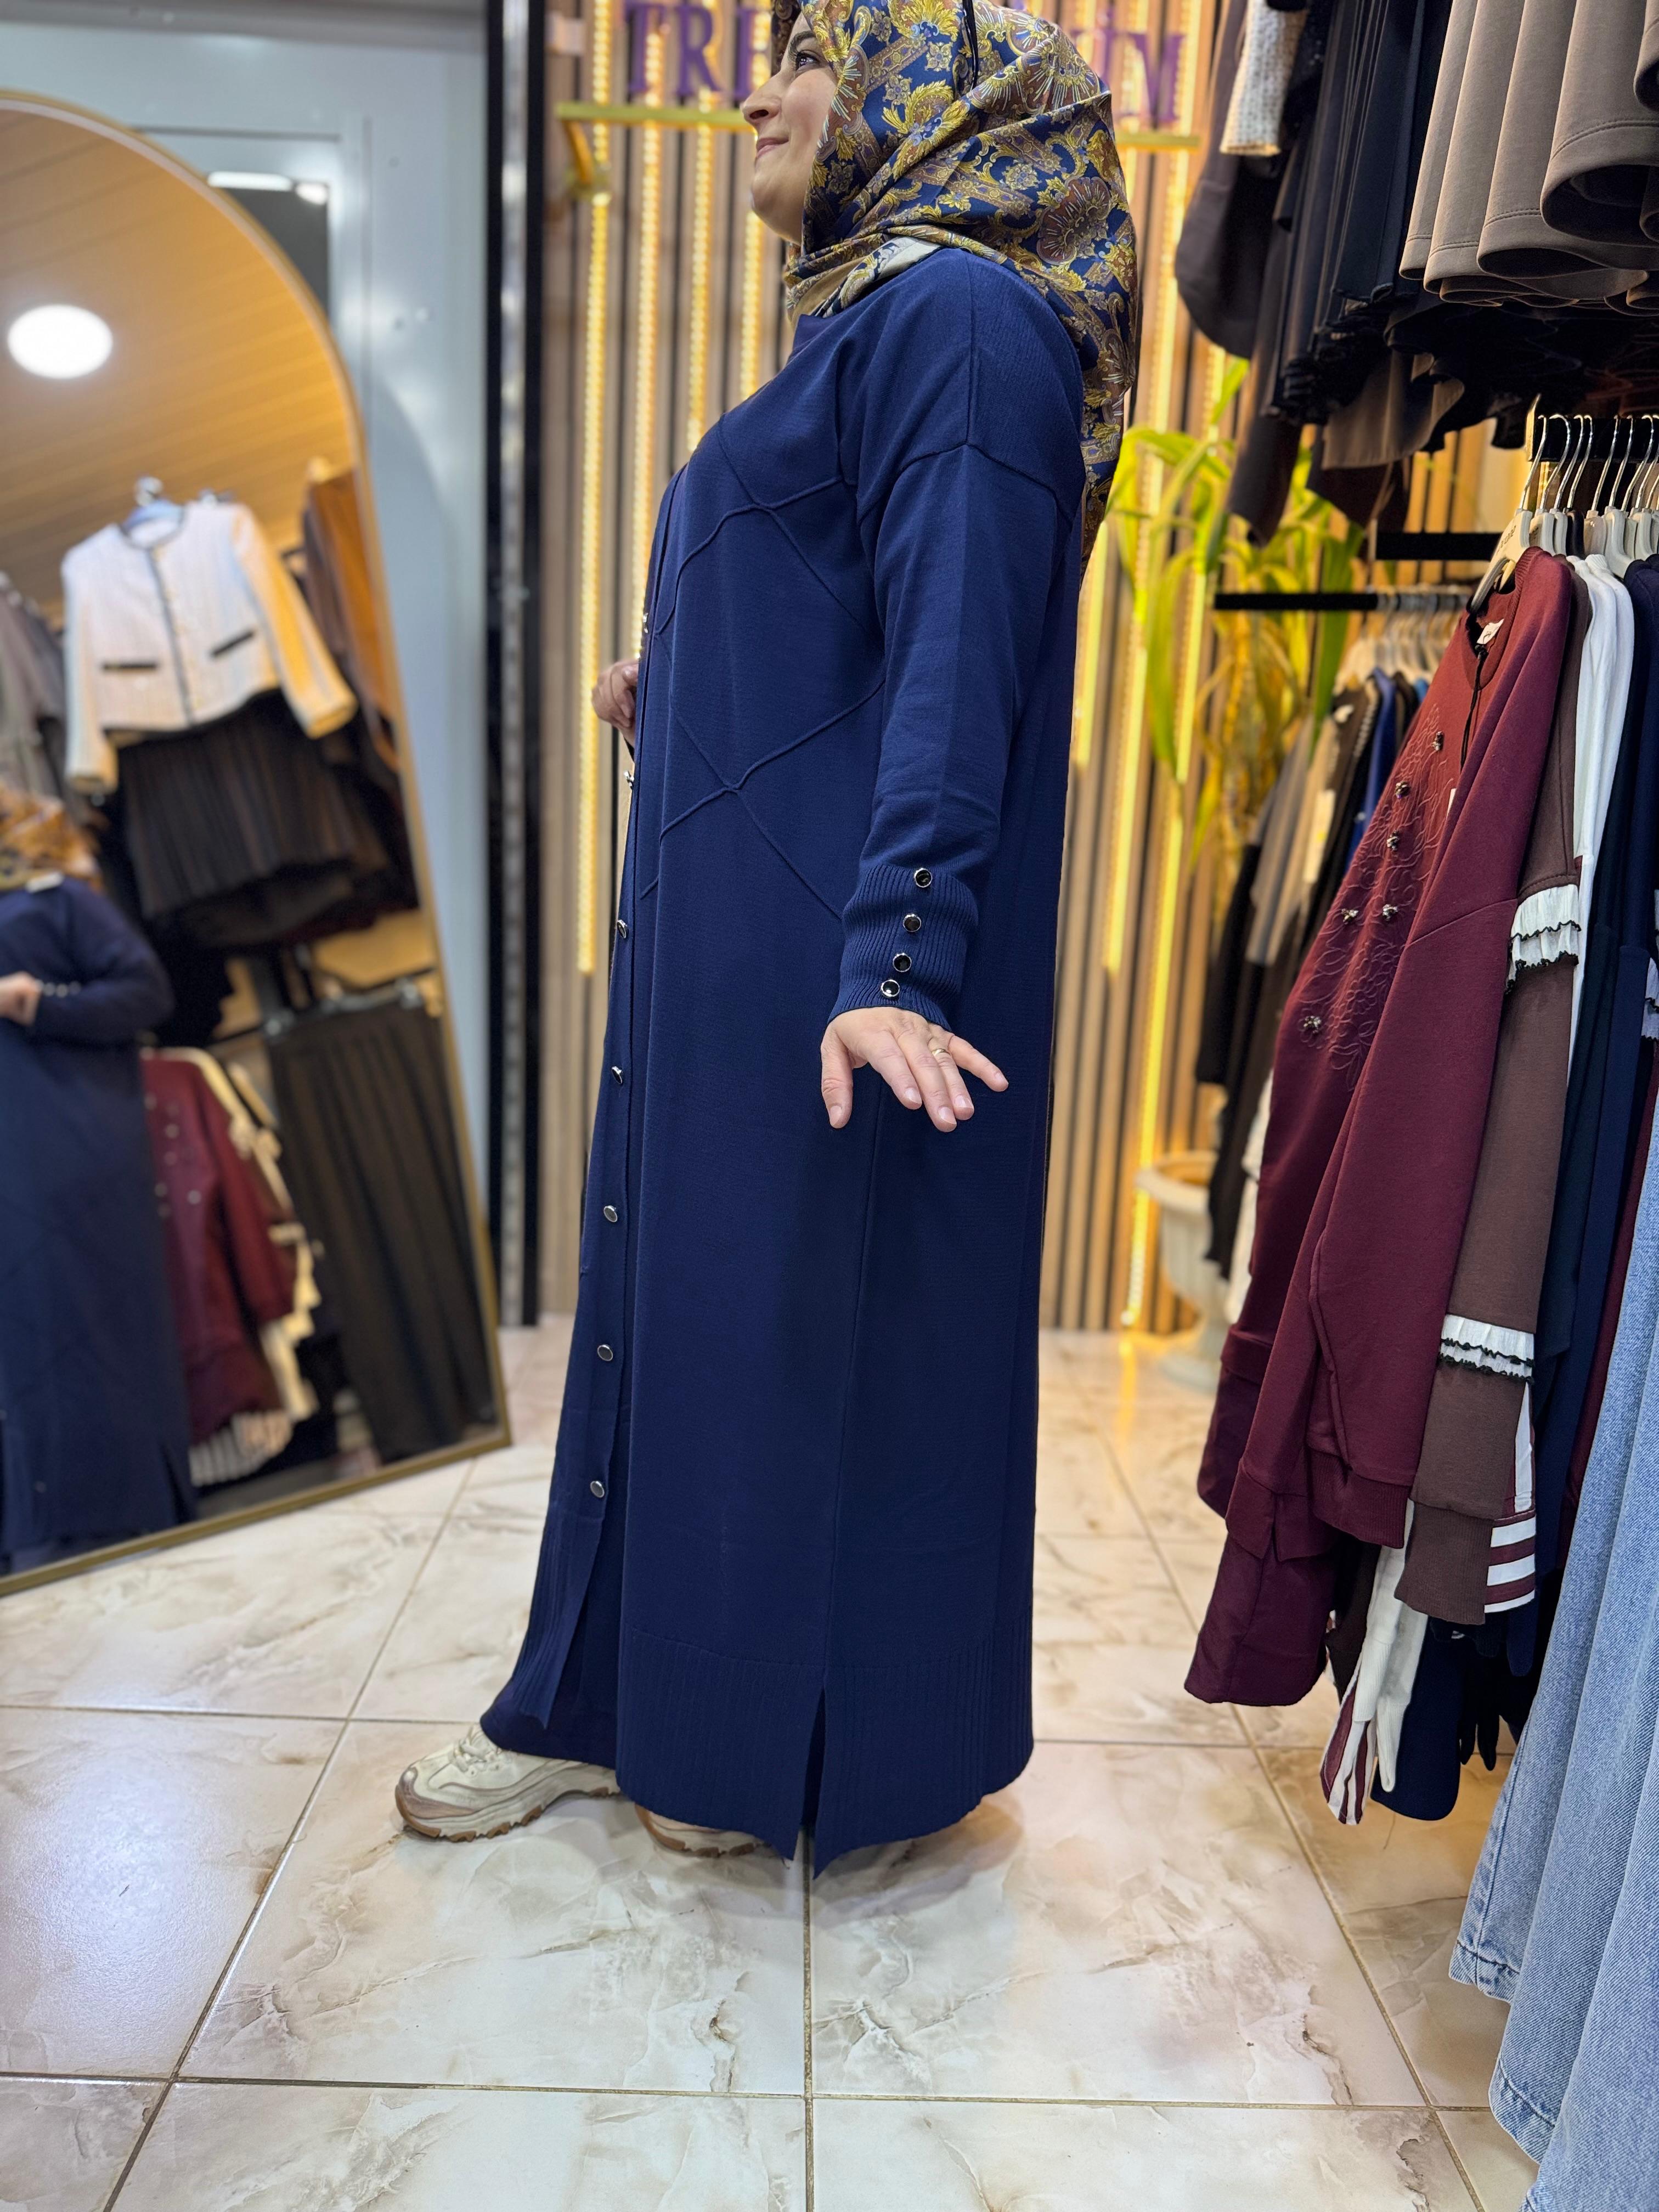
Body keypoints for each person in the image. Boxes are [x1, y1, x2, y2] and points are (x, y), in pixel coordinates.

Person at [396, 0, 1137, 1866]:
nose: (759, 89)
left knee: (786, 1360)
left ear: (929, 92)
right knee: (680, 1340)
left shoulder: (963, 325)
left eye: (814, 50)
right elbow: (855, 640)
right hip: (738, 953)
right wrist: (693, 685)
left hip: (827, 970)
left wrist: (899, 964)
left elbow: (960, 666)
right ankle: (604, 1704)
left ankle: (744, 1759)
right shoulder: (868, 328)